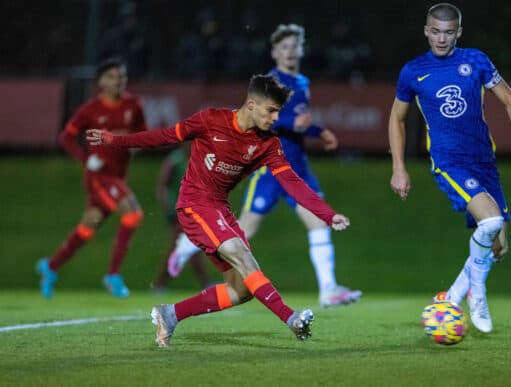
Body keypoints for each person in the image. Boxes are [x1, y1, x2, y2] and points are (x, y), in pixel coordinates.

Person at [86, 74, 351, 346]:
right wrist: (113, 141)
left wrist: (328, 214)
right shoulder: (210, 120)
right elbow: (163, 136)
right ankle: (291, 319)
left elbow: (293, 182)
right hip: (194, 204)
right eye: (271, 110)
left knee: (242, 290)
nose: (275, 118)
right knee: (242, 257)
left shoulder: (268, 144)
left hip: (220, 209)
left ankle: (170, 314)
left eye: (278, 112)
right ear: (251, 104)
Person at [167, 24, 362, 308]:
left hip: (297, 167)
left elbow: (298, 121)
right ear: (274, 52)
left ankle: (328, 289)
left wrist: (318, 131)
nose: (291, 52)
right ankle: (186, 246)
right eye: (285, 47)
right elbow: (260, 117)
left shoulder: (303, 82)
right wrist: (294, 124)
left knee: (318, 223)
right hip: (270, 170)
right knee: (247, 227)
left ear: (302, 49)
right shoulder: (271, 81)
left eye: (295, 46)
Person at [388, 3, 511, 333]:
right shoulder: (413, 71)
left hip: (484, 161)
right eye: (435, 31)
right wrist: (398, 167)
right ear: (426, 30)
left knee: (498, 246)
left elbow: (510, 101)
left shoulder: (475, 60)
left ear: (459, 32)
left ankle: (453, 297)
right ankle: (477, 296)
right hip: (448, 162)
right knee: (492, 220)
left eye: (448, 32)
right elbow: (396, 118)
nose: (441, 39)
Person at [36, 58, 146, 298]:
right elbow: (66, 137)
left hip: (117, 176)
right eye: (114, 76)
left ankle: (51, 266)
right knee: (133, 213)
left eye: (122, 76)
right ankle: (113, 275)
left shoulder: (133, 105)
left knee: (88, 228)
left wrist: (136, 144)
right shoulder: (90, 110)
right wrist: (86, 159)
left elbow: (141, 132)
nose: (120, 81)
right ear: (102, 81)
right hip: (99, 175)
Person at [150, 144, 213, 291]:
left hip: (195, 212)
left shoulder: (199, 160)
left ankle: (160, 284)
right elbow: (163, 186)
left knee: (183, 248)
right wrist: (169, 208)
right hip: (179, 212)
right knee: (188, 248)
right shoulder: (175, 160)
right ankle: (205, 283)